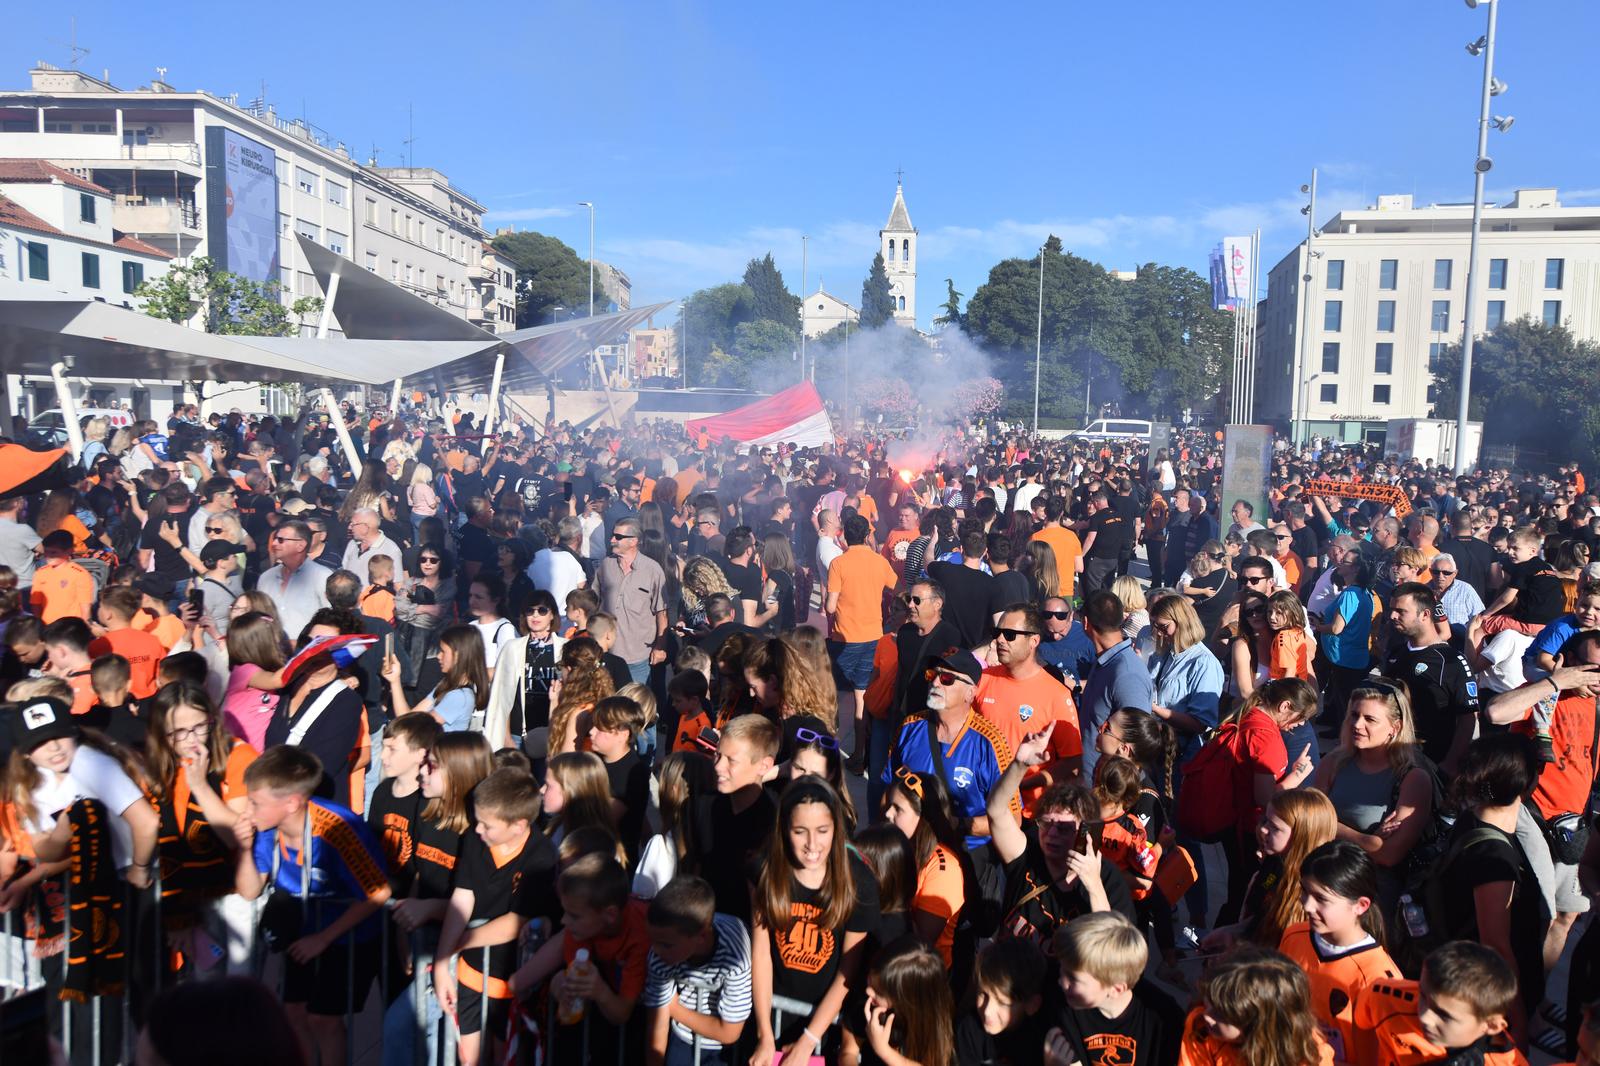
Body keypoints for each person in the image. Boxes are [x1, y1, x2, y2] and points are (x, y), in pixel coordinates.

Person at [230, 745, 391, 1066]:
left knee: (323, 1019)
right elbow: (249, 891)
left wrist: (323, 939)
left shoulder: (337, 828)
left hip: (349, 935)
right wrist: (244, 849)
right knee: (292, 1014)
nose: (247, 810)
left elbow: (378, 892)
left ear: (291, 803)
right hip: (304, 929)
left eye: (255, 803)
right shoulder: (266, 829)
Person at [1483, 640, 1600, 977]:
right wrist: (1556, 682)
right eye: (1590, 667)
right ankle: (1519, 991)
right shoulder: (1544, 694)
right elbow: (1495, 712)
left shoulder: (1596, 706)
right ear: (1569, 661)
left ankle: (1539, 991)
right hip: (1531, 814)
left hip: (1573, 822)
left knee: (1566, 916)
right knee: (1541, 912)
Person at [381, 731, 494, 1066]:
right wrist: (405, 930)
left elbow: (479, 904)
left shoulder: (478, 831)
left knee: (404, 1029)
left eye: (431, 767)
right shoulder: (429, 812)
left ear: (458, 774)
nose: (421, 773)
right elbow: (418, 875)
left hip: (460, 952)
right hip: (423, 946)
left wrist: (430, 909)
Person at [431, 767, 558, 1066]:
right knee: (467, 1057)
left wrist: (461, 942)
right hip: (470, 973)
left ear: (518, 826)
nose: (477, 830)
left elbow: (518, 919)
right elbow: (462, 897)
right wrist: (441, 961)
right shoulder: (477, 840)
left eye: (487, 825)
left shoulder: (541, 856)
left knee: (505, 1055)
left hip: (510, 978)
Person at [749, 777, 880, 1066]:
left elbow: (849, 968)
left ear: (836, 828)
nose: (812, 844)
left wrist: (809, 1040)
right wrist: (764, 1033)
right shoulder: (765, 870)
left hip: (825, 1024)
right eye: (800, 831)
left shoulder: (859, 882)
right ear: (784, 830)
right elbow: (760, 954)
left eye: (822, 831)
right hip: (772, 1013)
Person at [1427, 733, 1551, 1034]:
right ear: (1527, 784)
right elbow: (1496, 946)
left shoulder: (1470, 822)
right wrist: (1517, 1024)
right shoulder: (1494, 858)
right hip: (1483, 1003)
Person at [990, 728, 1138, 949]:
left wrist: (1093, 885)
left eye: (1064, 828)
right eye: (1046, 823)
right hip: (1007, 979)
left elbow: (1115, 952)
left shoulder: (1107, 880)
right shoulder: (1028, 852)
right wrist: (1020, 765)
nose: (1051, 834)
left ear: (1084, 831)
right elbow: (996, 811)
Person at [1313, 683, 1436, 905]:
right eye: (1354, 715)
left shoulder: (1413, 778)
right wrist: (1368, 840)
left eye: (1370, 719)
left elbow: (1389, 855)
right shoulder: (1333, 762)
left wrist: (1327, 825)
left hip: (1370, 894)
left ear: (1395, 728)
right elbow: (1306, 820)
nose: (1357, 724)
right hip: (1319, 878)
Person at [1277, 841, 1400, 1062]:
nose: (1307, 906)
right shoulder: (1294, 935)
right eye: (1304, 891)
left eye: (1321, 898)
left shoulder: (1378, 978)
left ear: (1360, 905)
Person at [884, 649, 1014, 850]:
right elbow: (888, 787)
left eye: (946, 678)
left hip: (965, 855)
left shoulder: (991, 742)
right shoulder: (909, 727)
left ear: (970, 693)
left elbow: (1013, 819)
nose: (935, 683)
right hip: (911, 849)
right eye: (932, 674)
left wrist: (956, 824)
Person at [975, 602, 1084, 810]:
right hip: (979, 802)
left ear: (1033, 640)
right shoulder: (983, 680)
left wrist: (1021, 783)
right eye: (997, 632)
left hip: (1029, 812)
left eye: (1009, 634)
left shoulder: (1057, 695)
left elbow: (1072, 762)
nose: (999, 639)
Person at [1352, 941, 1526, 1066]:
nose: (1425, 1017)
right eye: (1423, 996)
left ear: (1492, 1025)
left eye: (1444, 1015)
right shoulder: (1385, 997)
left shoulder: (1505, 1062)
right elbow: (1361, 1021)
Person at [1045, 911, 1184, 1066]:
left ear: (1116, 989)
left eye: (1073, 978)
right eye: (1062, 970)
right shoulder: (1064, 1006)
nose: (1061, 982)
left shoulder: (1164, 1019)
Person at [641, 874, 753, 1066]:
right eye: (653, 941)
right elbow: (657, 1027)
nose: (656, 951)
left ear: (701, 937)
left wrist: (674, 1009)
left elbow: (729, 1032)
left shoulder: (736, 953)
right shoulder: (660, 954)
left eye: (666, 945)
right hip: (682, 1038)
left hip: (720, 1051)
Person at [1382, 582, 1480, 776]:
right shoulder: (1396, 653)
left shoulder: (1452, 661)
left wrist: (1450, 763)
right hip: (1393, 758)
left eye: (1401, 611)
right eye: (1392, 609)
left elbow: (1468, 718)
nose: (1393, 616)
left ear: (1425, 615)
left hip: (1431, 762)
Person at [1178, 945, 1334, 1066]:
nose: (1207, 1015)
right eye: (1209, 1002)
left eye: (1221, 1014)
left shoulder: (1312, 1056)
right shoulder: (1201, 1029)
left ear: (1259, 1024)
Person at [881, 758, 968, 967]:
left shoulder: (944, 868)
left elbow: (920, 942)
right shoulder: (899, 846)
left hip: (920, 979)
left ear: (924, 818)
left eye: (897, 809)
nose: (887, 814)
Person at [1078, 591, 1154, 779]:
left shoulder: (1127, 674)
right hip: (1092, 785)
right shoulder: (1106, 660)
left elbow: (1135, 744)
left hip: (1109, 793)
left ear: (1086, 623)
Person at [481, 590, 566, 751]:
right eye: (530, 611)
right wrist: (506, 738)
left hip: (553, 732)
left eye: (542, 610)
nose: (535, 616)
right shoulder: (512, 648)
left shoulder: (564, 648)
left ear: (552, 615)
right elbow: (501, 697)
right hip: (516, 734)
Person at [1146, 594, 1225, 763]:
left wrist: (1156, 709)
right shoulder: (1165, 654)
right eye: (1155, 626)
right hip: (1157, 747)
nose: (1159, 633)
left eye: (1163, 627)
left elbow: (1199, 723)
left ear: (1181, 622)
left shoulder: (1204, 663)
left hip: (1183, 755)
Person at [955, 936, 1053, 1066]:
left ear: (1032, 1005)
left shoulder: (1044, 1043)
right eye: (983, 994)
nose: (987, 1011)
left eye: (1002, 1003)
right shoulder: (970, 1029)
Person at [595, 515, 668, 684]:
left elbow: (661, 614)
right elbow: (594, 601)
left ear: (633, 541)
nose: (612, 540)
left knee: (635, 705)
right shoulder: (606, 565)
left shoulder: (652, 570)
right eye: (613, 535)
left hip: (637, 658)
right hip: (606, 654)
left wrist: (660, 646)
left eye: (618, 537)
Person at [860, 938, 956, 1066]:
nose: (868, 991)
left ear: (906, 1000)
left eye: (879, 992)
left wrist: (884, 1051)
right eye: (869, 981)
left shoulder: (931, 1030)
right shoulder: (871, 1003)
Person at [382, 623, 489, 731]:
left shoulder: (459, 696)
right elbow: (406, 719)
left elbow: (411, 728)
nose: (438, 656)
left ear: (458, 656)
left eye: (443, 652)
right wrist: (395, 680)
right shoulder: (446, 684)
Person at [257, 519, 333, 639]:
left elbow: (331, 621)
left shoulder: (322, 576)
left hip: (306, 653)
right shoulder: (266, 578)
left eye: (281, 540)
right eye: (275, 539)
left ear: (300, 545)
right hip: (269, 653)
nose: (274, 544)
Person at [90, 585, 166, 698]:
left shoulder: (97, 646)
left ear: (108, 614)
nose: (98, 609)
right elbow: (162, 674)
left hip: (114, 707)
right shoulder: (152, 640)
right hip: (148, 703)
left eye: (100, 606)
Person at [1038, 596, 1097, 686]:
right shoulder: (1036, 635)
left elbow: (1102, 681)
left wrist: (1074, 685)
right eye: (1049, 631)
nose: (1055, 637)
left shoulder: (1088, 637)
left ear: (1071, 617)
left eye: (1061, 631)